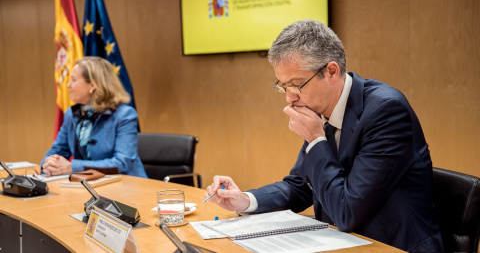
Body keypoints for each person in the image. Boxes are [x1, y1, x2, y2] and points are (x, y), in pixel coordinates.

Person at [205, 20, 444, 252]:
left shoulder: (386, 112)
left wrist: (316, 139)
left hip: (392, 246)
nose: (290, 97)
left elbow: (347, 212)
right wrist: (245, 200)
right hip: (344, 243)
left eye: (297, 84)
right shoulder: (321, 111)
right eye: (284, 86)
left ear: (331, 71)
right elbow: (301, 185)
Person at [41, 56, 147, 178]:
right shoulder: (72, 114)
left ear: (92, 85)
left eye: (74, 80)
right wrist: (47, 165)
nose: (68, 85)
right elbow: (57, 151)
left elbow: (122, 163)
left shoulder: (124, 115)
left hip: (127, 187)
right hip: (88, 184)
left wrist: (72, 167)